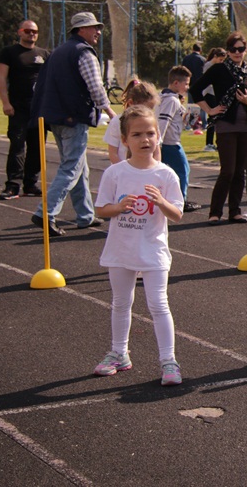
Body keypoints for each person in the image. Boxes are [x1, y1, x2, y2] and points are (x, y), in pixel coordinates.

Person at [92, 106, 185, 386]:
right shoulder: (115, 173)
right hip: (121, 249)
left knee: (158, 304)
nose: (145, 139)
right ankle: (119, 353)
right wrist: (118, 207)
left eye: (150, 133)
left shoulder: (166, 175)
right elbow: (100, 210)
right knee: (121, 302)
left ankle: (169, 361)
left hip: (153, 250)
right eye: (137, 134)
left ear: (158, 136)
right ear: (124, 140)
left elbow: (177, 214)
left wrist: (161, 202)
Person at [30, 11, 117, 237]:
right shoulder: (84, 52)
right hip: (73, 116)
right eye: (93, 27)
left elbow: (39, 86)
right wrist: (109, 110)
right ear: (81, 30)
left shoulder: (57, 52)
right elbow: (95, 86)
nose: (98, 31)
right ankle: (45, 213)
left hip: (54, 117)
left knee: (80, 167)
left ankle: (85, 215)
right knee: (72, 166)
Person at [190, 32, 247, 225]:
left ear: (246, 51)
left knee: (240, 171)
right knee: (227, 170)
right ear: (228, 51)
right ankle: (215, 212)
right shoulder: (218, 69)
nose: (237, 53)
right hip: (226, 125)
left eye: (241, 49)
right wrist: (210, 110)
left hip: (246, 125)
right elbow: (195, 89)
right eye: (233, 49)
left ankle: (235, 211)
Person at [0, 20, 48, 201]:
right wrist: (6, 103)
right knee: (18, 146)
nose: (31, 34)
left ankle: (30, 184)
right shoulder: (9, 52)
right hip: (18, 107)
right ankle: (12, 186)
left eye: (34, 31)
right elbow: (1, 79)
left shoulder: (44, 54)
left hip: (39, 109)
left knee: (37, 148)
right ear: (20, 32)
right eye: (27, 31)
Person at [158, 66, 201, 212]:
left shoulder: (168, 98)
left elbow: (176, 120)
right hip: (170, 143)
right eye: (186, 84)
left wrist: (188, 117)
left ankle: (172, 198)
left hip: (168, 142)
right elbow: (163, 122)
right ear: (176, 83)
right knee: (183, 169)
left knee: (170, 171)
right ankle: (180, 201)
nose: (187, 87)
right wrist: (158, 143)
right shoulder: (171, 100)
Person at [105, 79, 160, 164]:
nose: (147, 112)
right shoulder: (117, 122)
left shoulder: (151, 123)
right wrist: (125, 171)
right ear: (131, 103)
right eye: (144, 108)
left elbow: (157, 152)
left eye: (151, 109)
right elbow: (113, 153)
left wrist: (154, 169)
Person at [200, 47, 226, 152]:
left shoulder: (217, 66)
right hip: (209, 94)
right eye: (220, 59)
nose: (221, 62)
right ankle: (209, 143)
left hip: (215, 94)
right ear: (215, 57)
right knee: (212, 118)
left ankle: (216, 142)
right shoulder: (208, 65)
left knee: (217, 118)